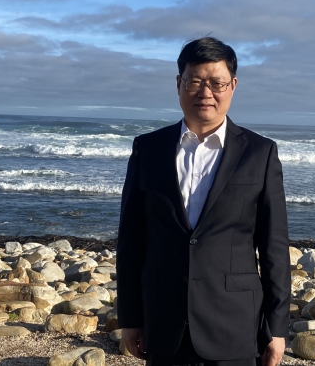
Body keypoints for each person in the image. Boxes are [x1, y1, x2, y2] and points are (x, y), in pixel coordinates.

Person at [117, 37, 290, 366]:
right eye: (194, 81)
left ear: (233, 86)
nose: (205, 92)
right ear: (179, 83)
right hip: (164, 322)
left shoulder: (260, 152)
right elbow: (131, 241)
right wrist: (130, 317)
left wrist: (277, 327)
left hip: (235, 326)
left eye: (216, 83)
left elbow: (274, 247)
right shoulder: (148, 149)